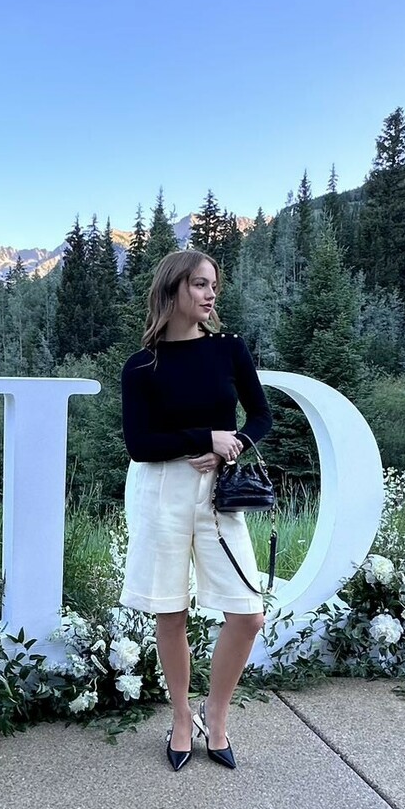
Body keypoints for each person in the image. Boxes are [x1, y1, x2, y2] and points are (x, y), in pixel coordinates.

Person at [119, 247, 273, 772]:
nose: (211, 295)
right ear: (173, 289)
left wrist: (236, 444)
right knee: (171, 610)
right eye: (200, 284)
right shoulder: (141, 365)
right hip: (160, 489)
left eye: (213, 285)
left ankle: (217, 712)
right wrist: (205, 436)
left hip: (217, 492)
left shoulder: (229, 349)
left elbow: (261, 416)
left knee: (248, 615)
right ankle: (182, 717)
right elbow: (140, 444)